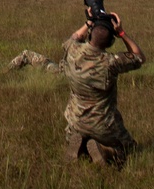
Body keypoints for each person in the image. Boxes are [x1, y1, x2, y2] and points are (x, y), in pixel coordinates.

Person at [8, 12, 145, 167]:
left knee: (78, 132)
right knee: (130, 149)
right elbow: (139, 56)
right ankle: (107, 151)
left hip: (76, 123)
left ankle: (81, 145)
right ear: (110, 42)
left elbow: (74, 37)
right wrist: (121, 32)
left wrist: (89, 22)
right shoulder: (111, 63)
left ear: (90, 35)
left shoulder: (73, 50)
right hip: (104, 126)